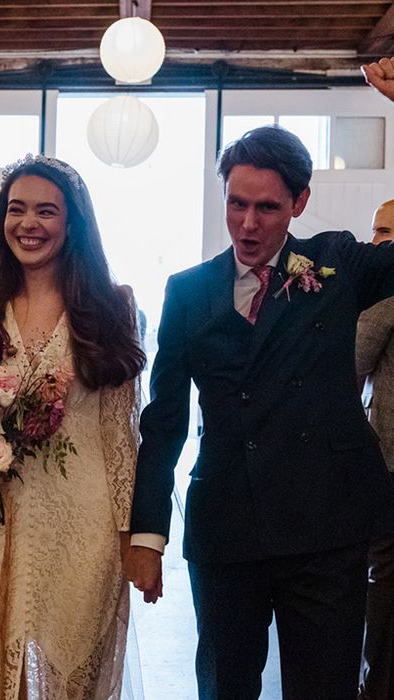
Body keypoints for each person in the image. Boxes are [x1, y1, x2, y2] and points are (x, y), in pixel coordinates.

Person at [123, 120, 394, 699]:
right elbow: (165, 418)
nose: (247, 225)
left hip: (327, 522)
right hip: (228, 523)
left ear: (300, 201)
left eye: (267, 208)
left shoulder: (335, 264)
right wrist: (147, 534)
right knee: (224, 686)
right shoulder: (188, 291)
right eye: (236, 204)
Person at [0, 154, 146, 698]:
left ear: (72, 222)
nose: (28, 224)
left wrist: (134, 540)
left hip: (82, 522)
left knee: (67, 671)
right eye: (16, 210)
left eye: (46, 211)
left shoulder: (110, 307)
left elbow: (120, 437)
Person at [357, 198, 394, 699]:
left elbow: (351, 357)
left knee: (382, 576)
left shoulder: (387, 294)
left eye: (385, 230)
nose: (376, 241)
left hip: (388, 458)